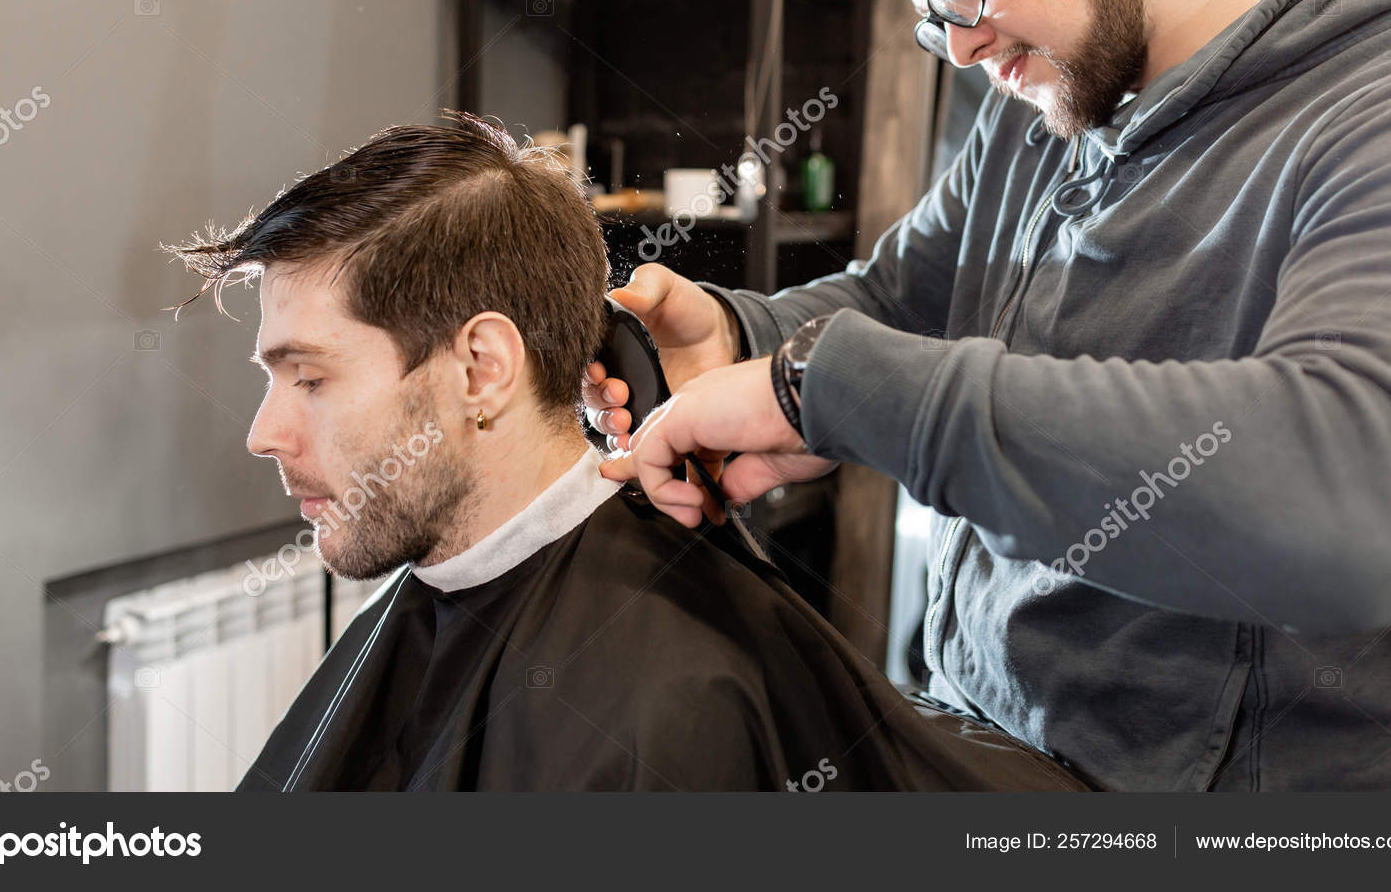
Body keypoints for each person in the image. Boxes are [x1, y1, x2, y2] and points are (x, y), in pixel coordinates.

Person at [590, 0, 1391, 791]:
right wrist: (737, 336)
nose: (959, 46)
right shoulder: (1053, 101)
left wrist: (830, 389)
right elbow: (909, 298)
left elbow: (1366, 502)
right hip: (977, 747)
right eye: (930, 19)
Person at [163, 113, 1085, 792]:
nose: (263, 433)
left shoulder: (664, 709)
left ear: (482, 368)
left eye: (310, 377)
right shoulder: (447, 589)